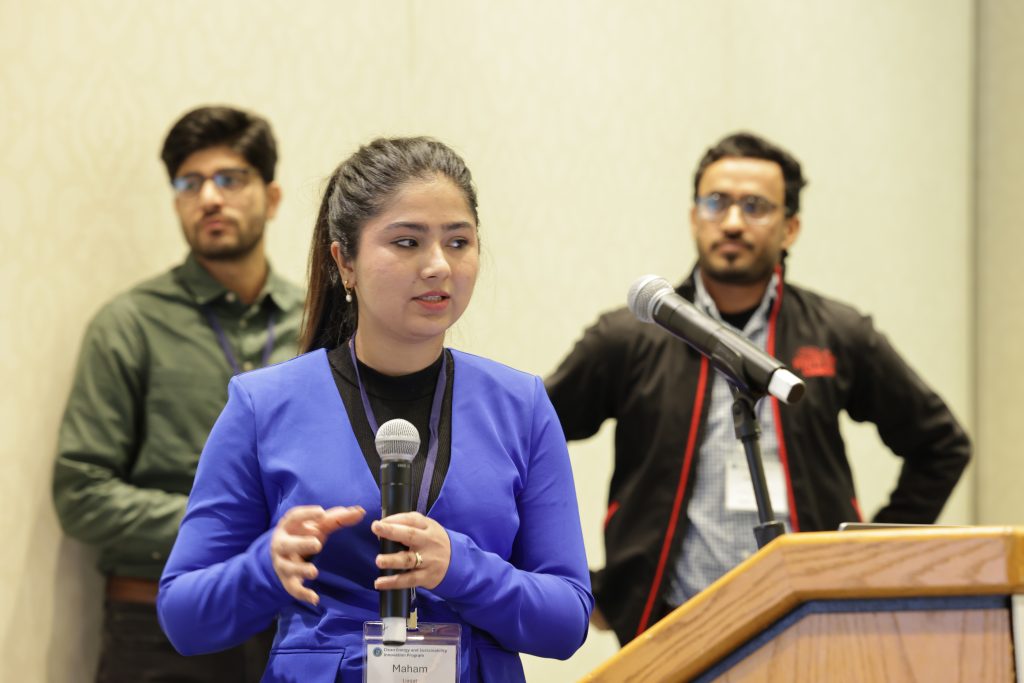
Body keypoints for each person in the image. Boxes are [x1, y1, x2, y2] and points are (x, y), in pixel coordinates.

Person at [157, 137, 593, 681]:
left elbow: (568, 620)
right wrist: (263, 568)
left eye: (459, 242)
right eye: (407, 242)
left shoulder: (521, 405)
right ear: (345, 261)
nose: (438, 265)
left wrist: (462, 569)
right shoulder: (263, 404)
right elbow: (183, 617)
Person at [545, 131, 971, 646]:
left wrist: (866, 557)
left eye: (755, 206)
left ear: (790, 227)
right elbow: (526, 443)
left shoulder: (837, 333)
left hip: (808, 622)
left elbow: (941, 445)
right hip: (669, 622)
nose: (731, 222)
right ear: (692, 215)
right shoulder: (629, 337)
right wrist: (585, 581)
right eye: (716, 202)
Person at [52, 105, 304, 682]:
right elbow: (81, 493)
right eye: (190, 184)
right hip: (157, 622)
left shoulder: (321, 325)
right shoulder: (130, 324)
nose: (209, 198)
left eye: (230, 179)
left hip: (296, 618)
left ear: (272, 197)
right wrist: (234, 528)